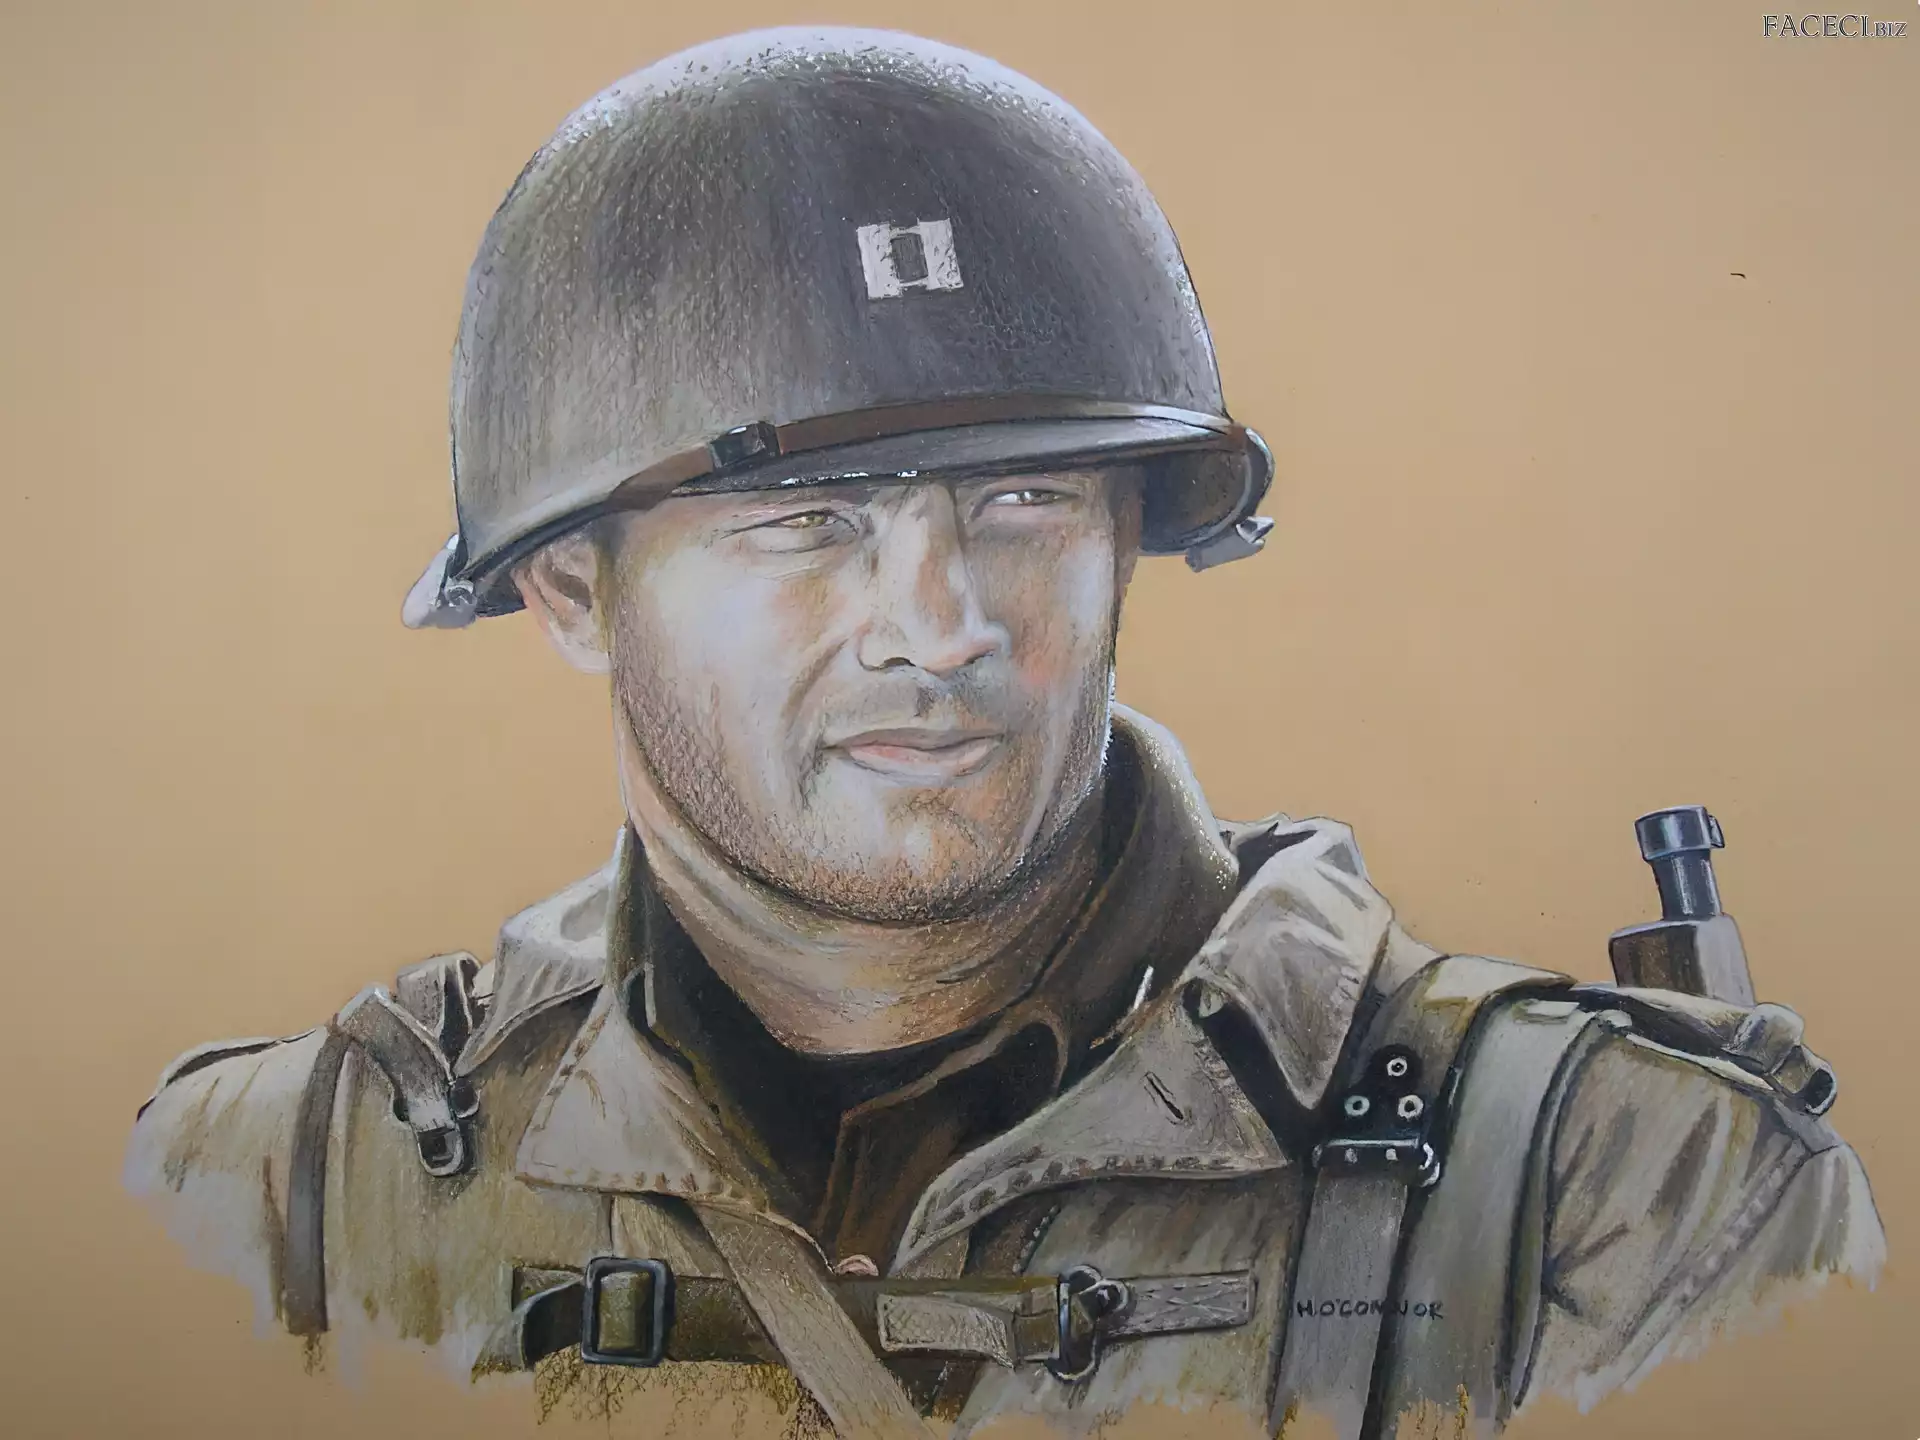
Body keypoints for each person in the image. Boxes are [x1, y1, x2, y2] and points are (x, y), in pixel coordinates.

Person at [125, 28, 1882, 1439]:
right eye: (808, 524)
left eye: (1023, 501)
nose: (941, 624)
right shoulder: (286, 1191)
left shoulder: (1625, 1195)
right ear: (573, 590)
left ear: (1127, 536)